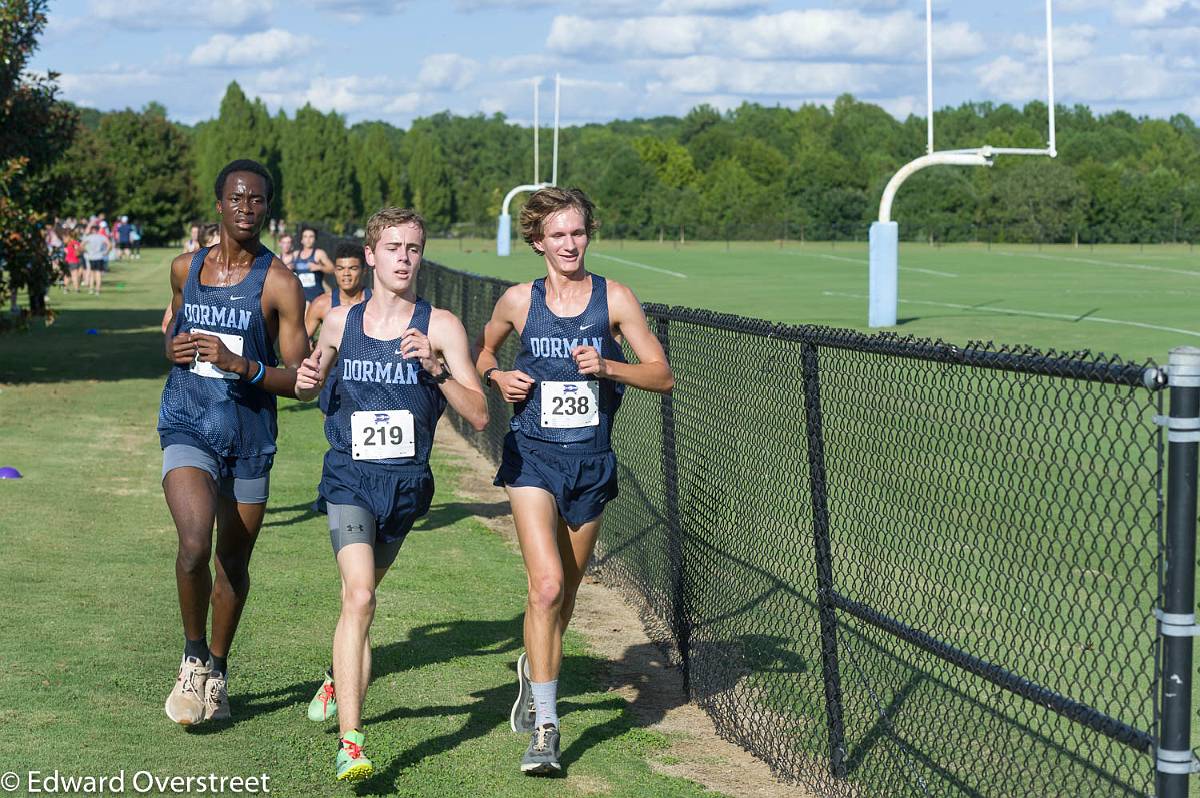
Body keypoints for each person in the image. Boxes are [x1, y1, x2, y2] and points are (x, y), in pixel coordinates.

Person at [474, 187, 673, 775]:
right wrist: (498, 376)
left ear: (589, 235)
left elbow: (661, 375)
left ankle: (534, 667)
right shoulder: (518, 300)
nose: (569, 244)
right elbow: (484, 349)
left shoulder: (614, 298)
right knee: (547, 587)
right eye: (558, 235)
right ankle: (546, 726)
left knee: (564, 597)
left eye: (578, 232)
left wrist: (609, 365)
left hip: (590, 461)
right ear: (538, 241)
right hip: (532, 457)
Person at [294, 207, 487, 782]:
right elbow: (313, 378)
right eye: (394, 247)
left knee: (362, 598)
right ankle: (351, 743)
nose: (404, 258)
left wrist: (434, 367)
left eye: (414, 248)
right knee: (359, 598)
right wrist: (307, 384)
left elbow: (478, 414)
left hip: (406, 487)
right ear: (370, 256)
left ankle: (337, 674)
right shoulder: (338, 321)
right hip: (349, 477)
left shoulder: (443, 326)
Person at [158, 159, 309, 727]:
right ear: (218, 204)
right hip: (188, 422)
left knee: (231, 562)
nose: (248, 208)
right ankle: (193, 656)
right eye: (238, 198)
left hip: (248, 436)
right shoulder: (183, 268)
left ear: (268, 208)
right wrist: (169, 348)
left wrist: (241, 364)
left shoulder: (280, 283)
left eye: (259, 200)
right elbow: (171, 326)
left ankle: (217, 668)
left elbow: (299, 381)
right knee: (195, 543)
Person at [304, 241, 371, 340]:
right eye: (340, 268)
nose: (346, 273)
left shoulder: (377, 301)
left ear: (364, 271)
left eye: (353, 268)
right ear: (335, 271)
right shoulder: (321, 304)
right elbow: (301, 342)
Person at [294, 225, 334, 305]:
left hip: (316, 296)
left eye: (311, 236)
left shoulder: (319, 253)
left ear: (315, 239)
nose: (308, 239)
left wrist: (319, 267)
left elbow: (333, 269)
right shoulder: (295, 254)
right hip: (300, 296)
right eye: (305, 237)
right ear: (301, 240)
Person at [81, 223, 111, 295]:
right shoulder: (101, 237)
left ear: (91, 230)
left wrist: (86, 251)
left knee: (92, 274)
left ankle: (91, 289)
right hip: (99, 257)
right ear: (98, 230)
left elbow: (81, 245)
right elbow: (109, 245)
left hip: (91, 257)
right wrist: (106, 252)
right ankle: (98, 290)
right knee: (98, 274)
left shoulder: (89, 237)